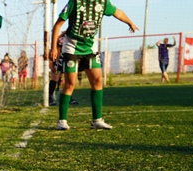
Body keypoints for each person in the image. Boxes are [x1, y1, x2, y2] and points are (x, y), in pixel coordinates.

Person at [50, 0, 138, 130]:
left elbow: (117, 12)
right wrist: (54, 48)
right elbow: (58, 25)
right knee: (70, 83)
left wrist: (130, 22)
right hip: (71, 47)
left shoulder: (103, 3)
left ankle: (97, 120)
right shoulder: (75, 2)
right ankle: (62, 121)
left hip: (90, 48)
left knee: (97, 80)